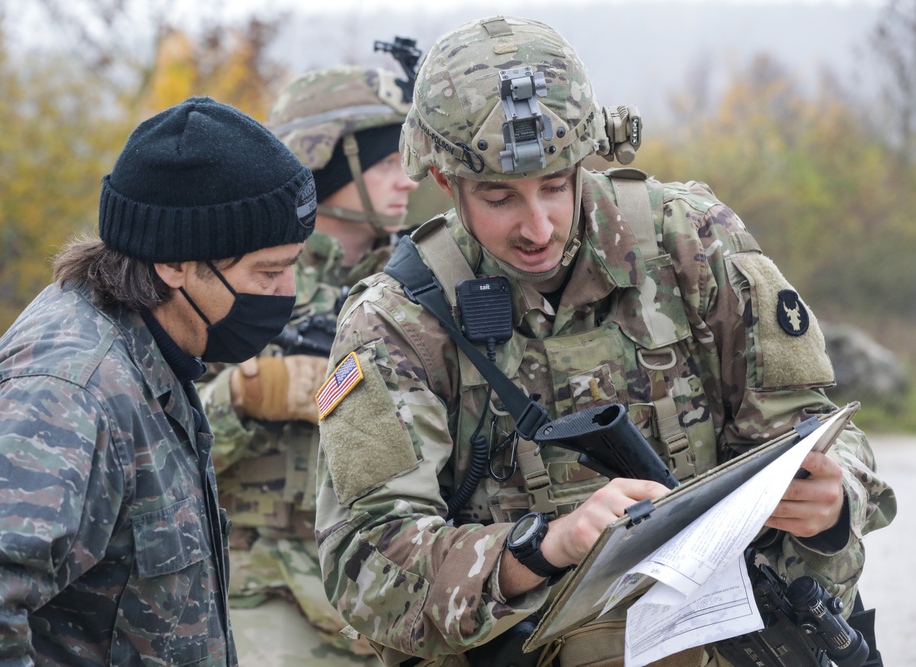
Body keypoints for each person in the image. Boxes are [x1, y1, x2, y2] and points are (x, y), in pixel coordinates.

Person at [313, 16, 897, 667]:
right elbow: (365, 561)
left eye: (557, 186)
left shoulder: (692, 246)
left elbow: (817, 431)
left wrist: (834, 496)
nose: (538, 225)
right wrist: (540, 547)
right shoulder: (398, 318)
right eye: (500, 197)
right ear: (447, 183)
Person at [0, 96, 316, 665]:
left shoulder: (153, 346)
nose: (286, 291)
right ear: (173, 264)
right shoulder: (70, 392)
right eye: (268, 272)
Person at [197, 64, 418, 666]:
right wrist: (243, 394)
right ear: (325, 161)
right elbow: (153, 452)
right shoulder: (230, 278)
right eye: (385, 163)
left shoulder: (418, 283)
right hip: (256, 585)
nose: (406, 182)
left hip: (387, 598)